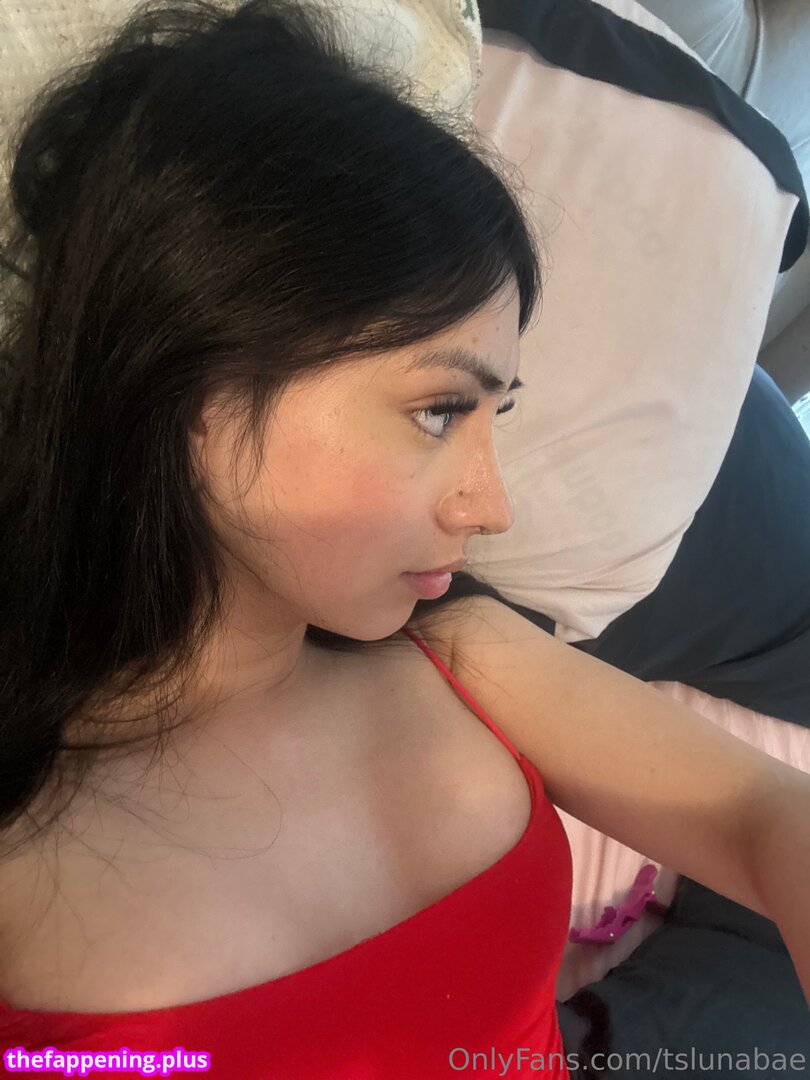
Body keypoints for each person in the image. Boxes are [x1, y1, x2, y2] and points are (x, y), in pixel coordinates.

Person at [0, 1, 807, 1077]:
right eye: (439, 411)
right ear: (196, 390)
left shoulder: (461, 654)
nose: (492, 505)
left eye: (493, 417)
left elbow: (762, 814)